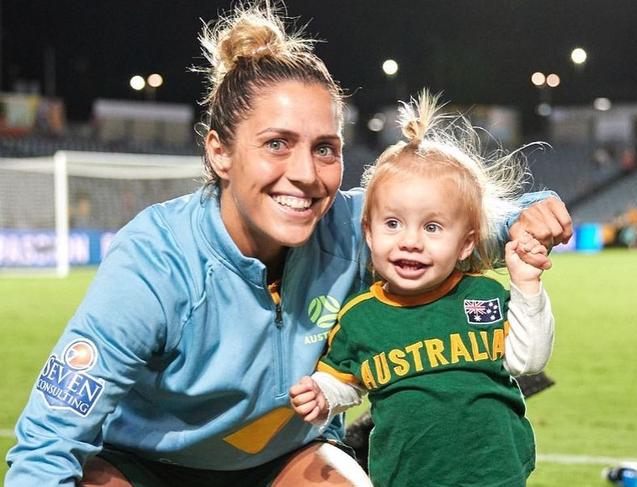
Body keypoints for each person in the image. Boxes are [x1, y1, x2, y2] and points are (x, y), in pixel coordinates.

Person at [5, 5, 571, 487]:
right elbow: (49, 439)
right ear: (219, 153)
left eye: (325, 148)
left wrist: (531, 214)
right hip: (145, 466)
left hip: (288, 460)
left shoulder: (355, 230)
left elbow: (476, 227)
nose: (305, 173)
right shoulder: (154, 261)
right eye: (277, 144)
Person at [290, 92, 555, 486]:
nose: (410, 241)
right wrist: (323, 394)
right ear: (368, 232)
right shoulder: (359, 316)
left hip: (494, 475)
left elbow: (527, 362)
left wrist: (527, 285)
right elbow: (346, 379)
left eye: (432, 228)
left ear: (466, 243)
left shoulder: (480, 296)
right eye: (393, 224)